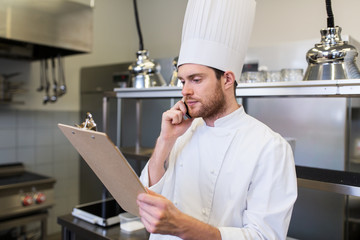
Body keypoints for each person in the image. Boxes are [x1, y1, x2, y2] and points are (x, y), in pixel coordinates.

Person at [137, 0, 297, 239]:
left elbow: (265, 236)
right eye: (183, 81)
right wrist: (164, 141)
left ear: (227, 79)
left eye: (196, 80)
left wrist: (183, 226)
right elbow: (146, 198)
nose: (185, 91)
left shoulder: (269, 147)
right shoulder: (182, 132)